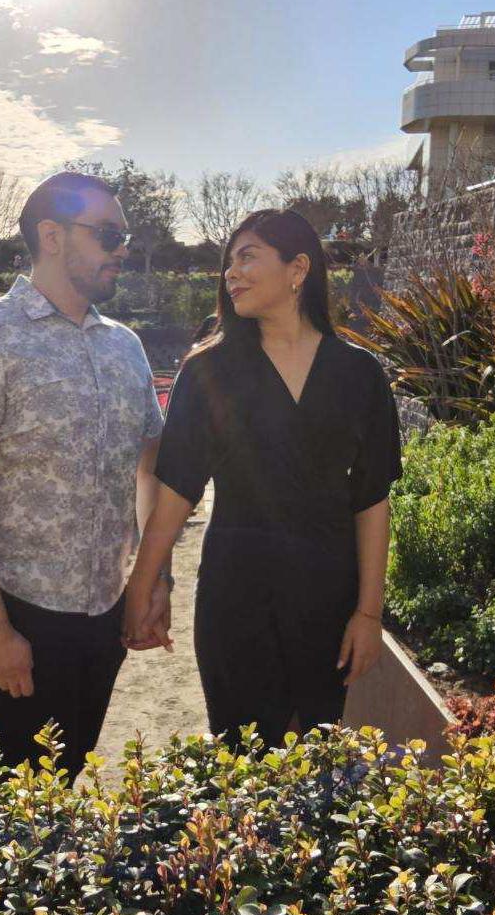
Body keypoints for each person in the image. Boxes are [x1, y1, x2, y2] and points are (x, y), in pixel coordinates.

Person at [123, 208, 403, 749]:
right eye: (228, 262)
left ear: (298, 268)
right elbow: (177, 491)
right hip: (236, 594)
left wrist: (369, 614)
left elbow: (372, 499)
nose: (232, 272)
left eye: (248, 256)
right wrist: (144, 585)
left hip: (328, 594)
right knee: (242, 756)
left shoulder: (360, 374)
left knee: (316, 757)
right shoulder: (208, 370)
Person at [0, 172, 168, 779]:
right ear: (52, 236)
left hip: (105, 615)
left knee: (68, 775)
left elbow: (148, 470)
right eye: (109, 234)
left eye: (125, 235)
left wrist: (152, 580)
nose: (123, 249)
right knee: (21, 799)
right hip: (21, 615)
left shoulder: (125, 347)